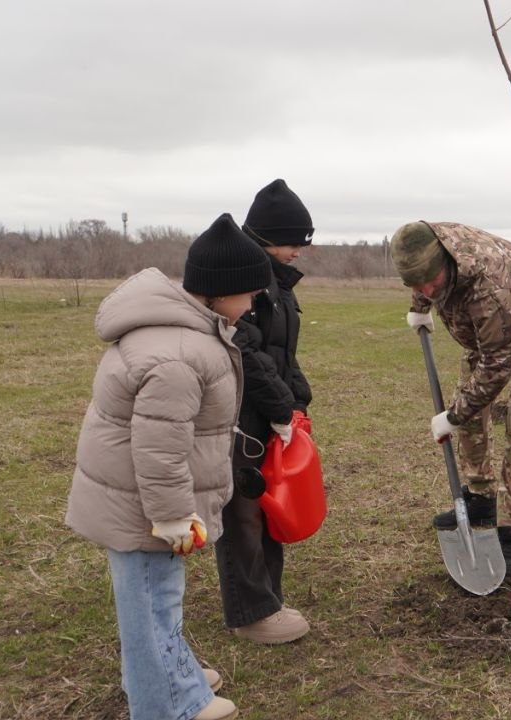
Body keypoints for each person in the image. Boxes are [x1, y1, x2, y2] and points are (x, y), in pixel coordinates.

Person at [66, 214, 273, 720]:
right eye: (248, 292)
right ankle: (168, 703)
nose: (253, 303)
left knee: (157, 597)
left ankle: (165, 668)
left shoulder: (187, 333)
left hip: (140, 500)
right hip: (142, 505)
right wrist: (173, 515)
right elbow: (159, 448)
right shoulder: (179, 355)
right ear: (221, 291)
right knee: (150, 602)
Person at [393, 220, 511, 577]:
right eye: (416, 283)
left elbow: (496, 367)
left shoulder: (489, 285)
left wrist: (452, 415)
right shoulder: (424, 248)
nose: (427, 288)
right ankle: (482, 497)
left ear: (447, 264)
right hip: (484, 338)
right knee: (470, 415)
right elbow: (423, 278)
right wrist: (420, 304)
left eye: (433, 282)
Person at [215, 179, 315, 645]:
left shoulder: (277, 281)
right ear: (269, 236)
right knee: (244, 510)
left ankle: (267, 600)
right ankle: (251, 614)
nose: (300, 250)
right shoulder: (245, 277)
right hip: (239, 413)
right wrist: (278, 407)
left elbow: (282, 351)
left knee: (269, 504)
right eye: (295, 240)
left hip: (267, 410)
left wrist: (297, 400)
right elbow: (245, 350)